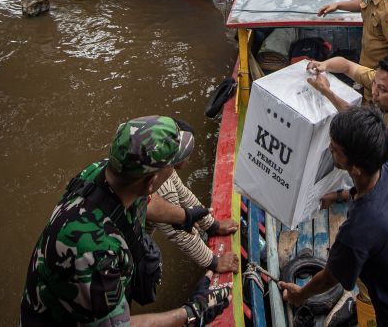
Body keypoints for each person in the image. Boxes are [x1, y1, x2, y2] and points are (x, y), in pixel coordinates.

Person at [21, 116, 232, 326]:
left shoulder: (109, 171)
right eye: (172, 167)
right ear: (152, 181)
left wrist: (185, 216)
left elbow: (148, 202)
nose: (175, 170)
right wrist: (191, 312)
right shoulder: (94, 252)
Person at [279, 107, 388, 327]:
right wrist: (341, 195)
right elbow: (361, 124)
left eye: (336, 149)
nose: (330, 147)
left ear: (356, 168)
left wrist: (300, 295)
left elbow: (331, 277)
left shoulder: (359, 229)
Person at [307, 54, 388, 214]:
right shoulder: (384, 83)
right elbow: (347, 65)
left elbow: (384, 186)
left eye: (382, 90)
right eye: (374, 83)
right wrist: (323, 65)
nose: (374, 91)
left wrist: (327, 91)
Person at [147, 120, 239, 273]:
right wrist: (215, 262)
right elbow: (180, 233)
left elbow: (183, 193)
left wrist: (212, 225)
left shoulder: (164, 166)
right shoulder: (161, 186)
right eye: (188, 152)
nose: (190, 158)